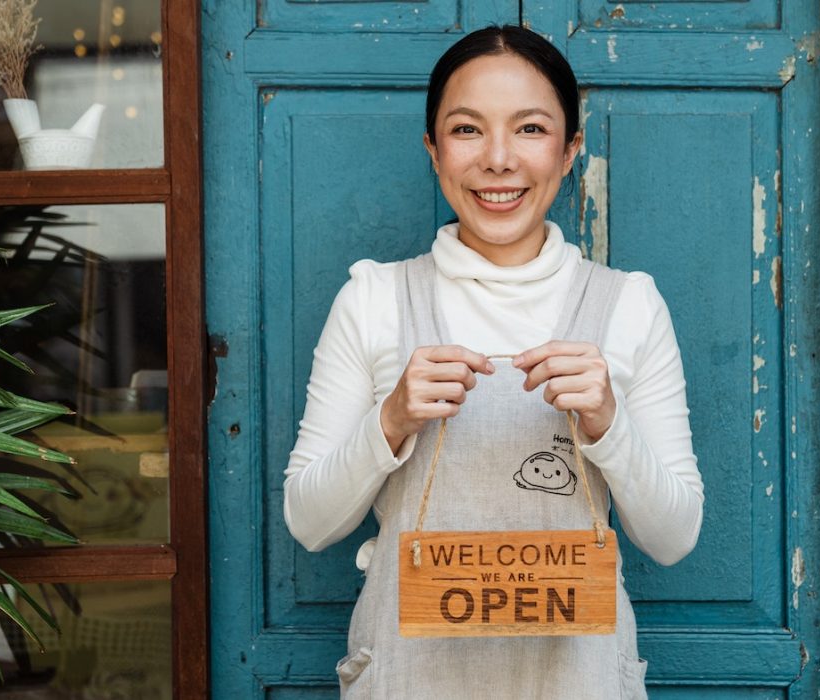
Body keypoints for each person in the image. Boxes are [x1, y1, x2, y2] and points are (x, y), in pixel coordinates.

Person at [284, 25, 704, 699]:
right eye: (468, 129)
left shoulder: (628, 305)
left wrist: (607, 423)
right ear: (434, 150)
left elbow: (674, 536)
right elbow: (308, 523)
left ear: (570, 152)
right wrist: (390, 420)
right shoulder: (374, 300)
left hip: (579, 681)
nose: (500, 159)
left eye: (531, 129)